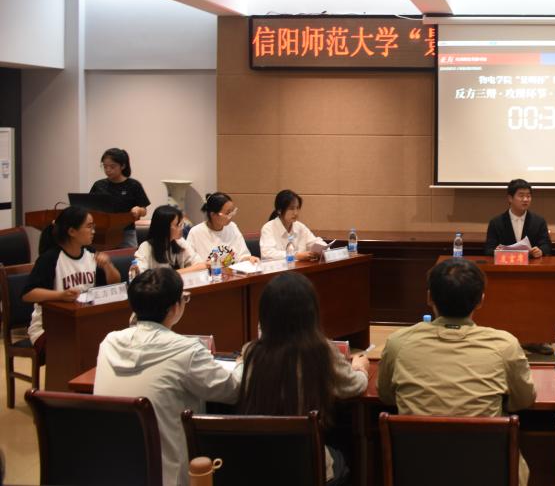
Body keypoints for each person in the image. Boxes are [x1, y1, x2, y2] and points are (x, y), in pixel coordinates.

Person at [377, 257, 536, 485]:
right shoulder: (504, 345)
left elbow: (386, 395)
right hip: (488, 474)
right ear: (481, 300)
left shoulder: (398, 343)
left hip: (418, 473)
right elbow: (524, 400)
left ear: (429, 297)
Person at [94, 267, 242, 486]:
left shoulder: (109, 343)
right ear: (174, 308)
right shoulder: (187, 351)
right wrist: (242, 362)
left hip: (113, 471)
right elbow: (233, 390)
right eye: (184, 298)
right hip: (170, 477)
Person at [238, 272, 369, 484]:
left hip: (261, 467)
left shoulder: (251, 352)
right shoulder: (321, 351)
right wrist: (360, 368)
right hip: (308, 467)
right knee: (346, 446)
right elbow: (355, 385)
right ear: (311, 314)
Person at [22, 206, 120, 355]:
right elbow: (28, 294)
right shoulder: (50, 258)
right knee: (88, 344)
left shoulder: (91, 254)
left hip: (83, 321)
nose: (93, 231)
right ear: (72, 231)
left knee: (112, 339)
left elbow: (114, 284)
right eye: (89, 226)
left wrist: (108, 266)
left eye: (93, 226)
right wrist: (60, 295)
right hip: (49, 328)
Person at [89, 147, 150, 247]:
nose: (108, 170)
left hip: (126, 232)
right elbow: (89, 206)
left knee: (129, 256)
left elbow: (144, 210)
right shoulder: (99, 185)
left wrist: (138, 210)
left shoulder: (133, 185)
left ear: (123, 166)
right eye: (105, 166)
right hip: (102, 232)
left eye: (112, 167)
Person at [484, 178, 552, 258]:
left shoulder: (539, 221)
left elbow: (546, 246)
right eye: (521, 196)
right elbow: (488, 249)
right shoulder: (496, 222)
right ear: (510, 198)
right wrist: (496, 251)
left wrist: (540, 251)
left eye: (528, 196)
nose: (525, 199)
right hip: (506, 263)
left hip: (531, 263)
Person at [186, 192, 258, 266]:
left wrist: (248, 258)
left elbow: (242, 255)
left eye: (232, 211)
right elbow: (191, 262)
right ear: (213, 215)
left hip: (233, 272)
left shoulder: (232, 227)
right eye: (227, 213)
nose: (231, 216)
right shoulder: (196, 232)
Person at [134, 204, 207, 274]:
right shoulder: (146, 247)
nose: (182, 228)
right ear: (164, 227)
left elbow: (201, 265)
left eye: (182, 224)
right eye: (178, 225)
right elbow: (140, 275)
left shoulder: (180, 242)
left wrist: (176, 273)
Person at [259, 189, 321, 262]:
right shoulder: (268, 228)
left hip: (299, 267)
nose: (296, 213)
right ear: (279, 210)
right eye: (291, 208)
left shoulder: (300, 227)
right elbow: (267, 254)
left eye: (297, 208)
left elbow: (314, 242)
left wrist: (324, 249)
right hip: (278, 268)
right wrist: (296, 256)